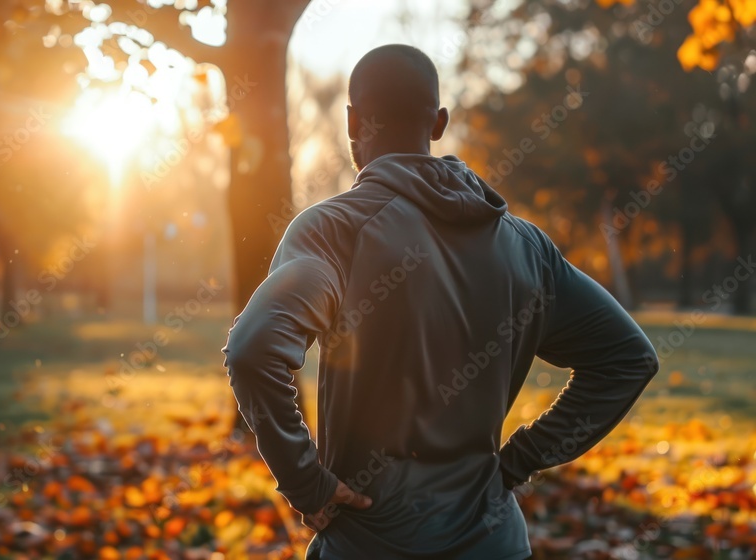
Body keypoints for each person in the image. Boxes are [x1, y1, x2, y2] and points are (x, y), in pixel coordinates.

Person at [222, 44, 659, 559]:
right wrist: (519, 460)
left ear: (352, 121)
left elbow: (252, 350)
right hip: (494, 543)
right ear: (440, 123)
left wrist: (306, 483)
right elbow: (628, 358)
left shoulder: (332, 231)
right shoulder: (525, 247)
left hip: (370, 542)